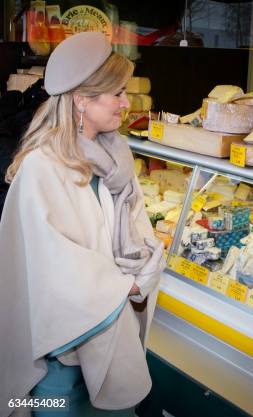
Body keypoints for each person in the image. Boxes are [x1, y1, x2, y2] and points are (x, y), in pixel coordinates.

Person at [0, 32, 165, 417]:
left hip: (111, 334)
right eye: (117, 93)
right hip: (62, 357)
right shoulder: (43, 166)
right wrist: (127, 284)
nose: (126, 103)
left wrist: (147, 261)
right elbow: (53, 266)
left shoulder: (116, 157)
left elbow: (136, 223)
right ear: (81, 100)